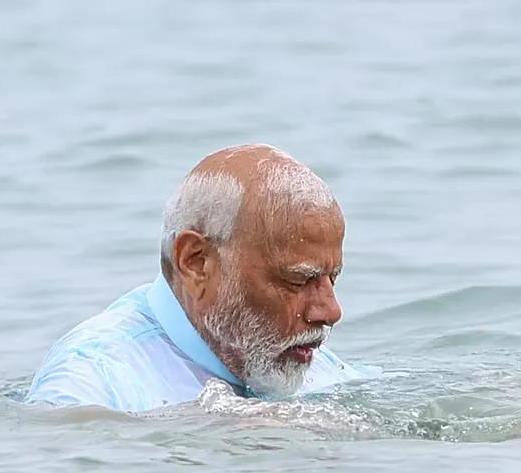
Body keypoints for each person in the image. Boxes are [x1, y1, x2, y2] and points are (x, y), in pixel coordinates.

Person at [26, 144, 371, 412]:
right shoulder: (91, 383)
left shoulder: (306, 360)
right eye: (298, 281)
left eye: (332, 279)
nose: (330, 311)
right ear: (196, 262)